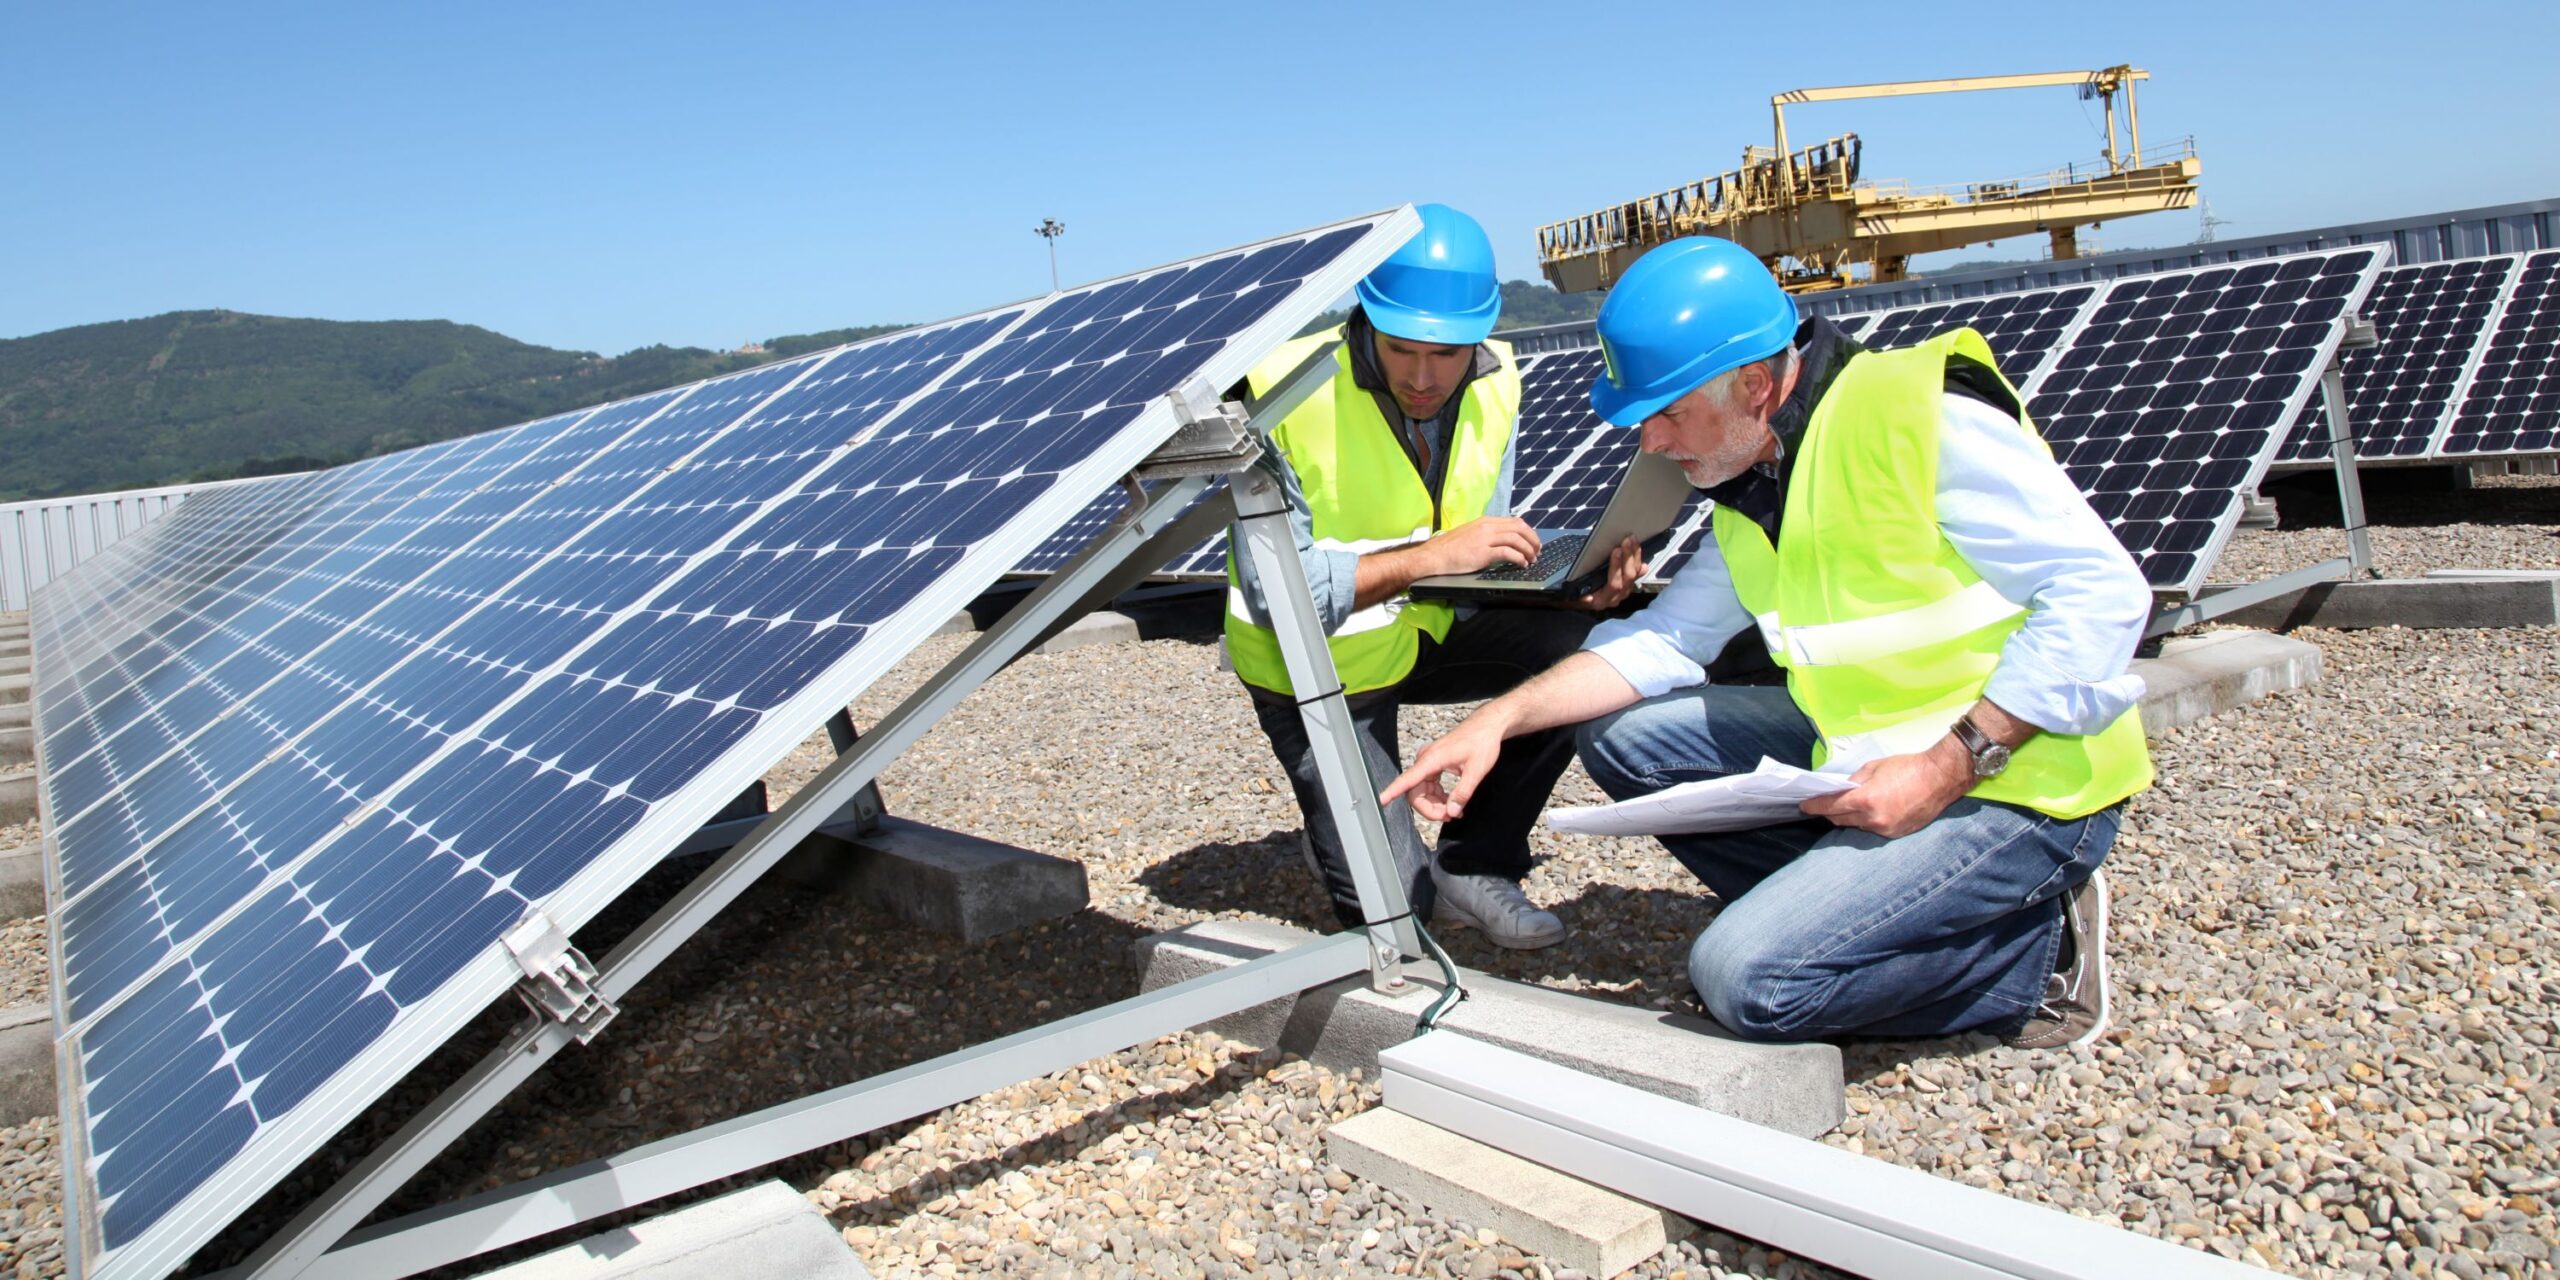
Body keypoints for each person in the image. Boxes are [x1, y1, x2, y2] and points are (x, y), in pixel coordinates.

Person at [1383, 236, 2152, 1047]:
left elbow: (2102, 595)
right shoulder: (1755, 480)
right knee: (1622, 734)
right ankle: (1857, 913)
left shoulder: (1923, 416)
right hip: (1870, 750)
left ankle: (2034, 959)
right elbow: (1665, 641)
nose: (1651, 444)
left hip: (2020, 782)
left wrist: (1943, 768)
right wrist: (1496, 724)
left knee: (1747, 983)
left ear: (1755, 385)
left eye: (1669, 413)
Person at [1225, 203, 1646, 950]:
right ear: (1365, 319)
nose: (1424, 378)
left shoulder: (1498, 378)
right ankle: (1348, 826)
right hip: (1316, 667)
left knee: (1589, 646)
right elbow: (1276, 593)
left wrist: (1574, 581)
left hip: (1425, 626)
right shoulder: (1280, 388)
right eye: (1401, 349)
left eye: (1447, 354)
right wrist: (1431, 558)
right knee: (1396, 923)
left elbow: (1481, 546)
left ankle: (1474, 862)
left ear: (1479, 335)